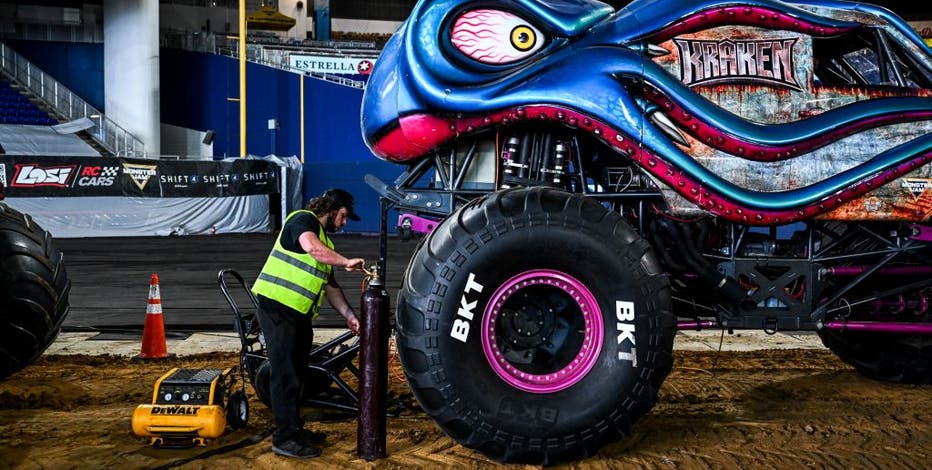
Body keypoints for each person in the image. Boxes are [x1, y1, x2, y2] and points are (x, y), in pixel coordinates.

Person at [252, 188, 366, 459]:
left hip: (297, 314)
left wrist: (350, 316)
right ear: (331, 208)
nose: (344, 222)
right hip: (278, 308)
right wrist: (346, 261)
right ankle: (285, 438)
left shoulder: (326, 242)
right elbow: (312, 248)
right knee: (285, 374)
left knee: (297, 374)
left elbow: (330, 286)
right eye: (343, 215)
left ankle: (294, 429)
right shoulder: (302, 220)